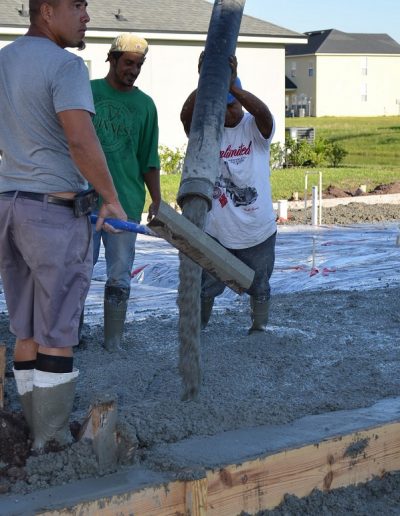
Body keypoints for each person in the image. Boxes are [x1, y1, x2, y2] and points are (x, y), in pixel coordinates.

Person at [0, 0, 127, 451]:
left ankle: (33, 432)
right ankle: (49, 441)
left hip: (9, 207)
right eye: (78, 6)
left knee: (26, 329)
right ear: (47, 12)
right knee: (57, 332)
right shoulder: (66, 67)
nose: (87, 16)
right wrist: (111, 199)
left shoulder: (4, 61)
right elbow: (79, 137)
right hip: (53, 212)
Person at [180, 55, 277, 333]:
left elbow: (265, 114)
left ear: (238, 102)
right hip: (218, 231)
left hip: (256, 229)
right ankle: (198, 329)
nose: (226, 113)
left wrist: (233, 87)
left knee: (259, 285)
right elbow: (186, 119)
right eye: (220, 107)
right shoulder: (210, 130)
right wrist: (206, 81)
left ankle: (259, 329)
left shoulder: (253, 128)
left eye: (230, 106)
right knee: (206, 285)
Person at [90, 33, 161, 351]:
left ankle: (113, 341)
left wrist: (157, 198)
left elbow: (148, 158)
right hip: (85, 202)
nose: (133, 70)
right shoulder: (88, 92)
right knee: (76, 271)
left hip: (125, 204)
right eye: (128, 63)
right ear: (112, 59)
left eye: (139, 65)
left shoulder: (145, 106)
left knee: (119, 276)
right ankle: (69, 337)